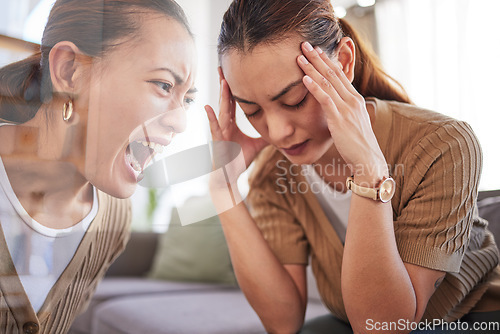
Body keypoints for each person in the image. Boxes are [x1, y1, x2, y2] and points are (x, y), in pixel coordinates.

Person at [205, 0, 500, 333]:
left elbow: (386, 326)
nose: (277, 132)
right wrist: (222, 190)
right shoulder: (273, 171)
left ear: (343, 62)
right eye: (252, 111)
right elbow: (282, 322)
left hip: (472, 319)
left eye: (295, 100)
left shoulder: (443, 144)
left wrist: (369, 170)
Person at [0, 0, 196, 332]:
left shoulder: (114, 219)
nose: (181, 122)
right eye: (164, 85)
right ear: (70, 71)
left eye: (187, 99)